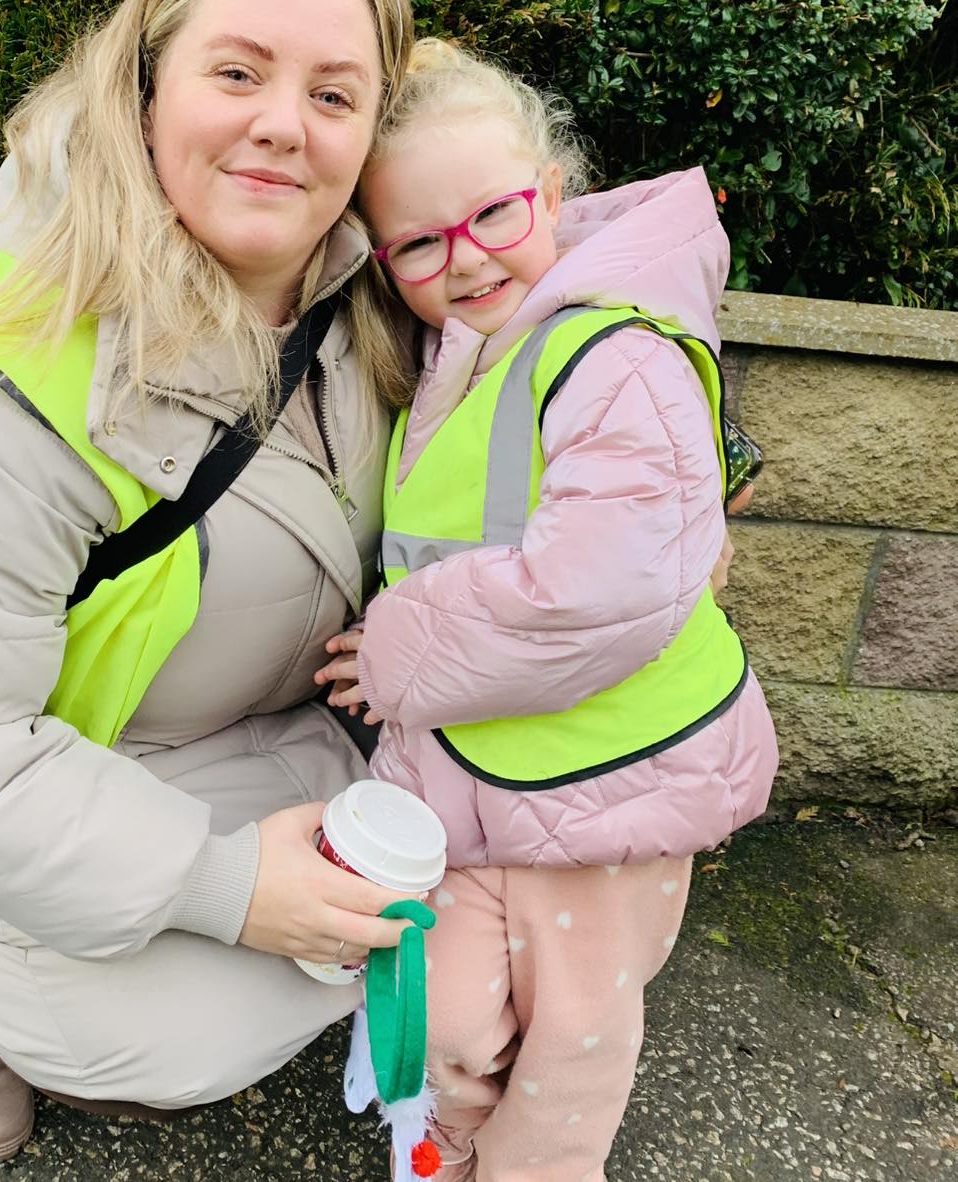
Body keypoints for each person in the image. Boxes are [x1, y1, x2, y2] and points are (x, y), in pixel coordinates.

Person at [0, 0, 421, 1165]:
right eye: (237, 72)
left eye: (334, 95)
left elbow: (560, 266)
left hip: (273, 730)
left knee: (470, 882)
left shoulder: (384, 283)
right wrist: (230, 887)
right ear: (142, 89)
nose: (286, 126)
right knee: (158, 1034)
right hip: (53, 762)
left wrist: (673, 459)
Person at [315, 39, 780, 1181]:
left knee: (573, 1035)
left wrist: (395, 651)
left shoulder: (606, 347)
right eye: (420, 242)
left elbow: (599, 582)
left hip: (609, 782)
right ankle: (444, 1147)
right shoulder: (465, 349)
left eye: (492, 215)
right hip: (478, 767)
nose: (464, 260)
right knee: (451, 1011)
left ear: (555, 194)